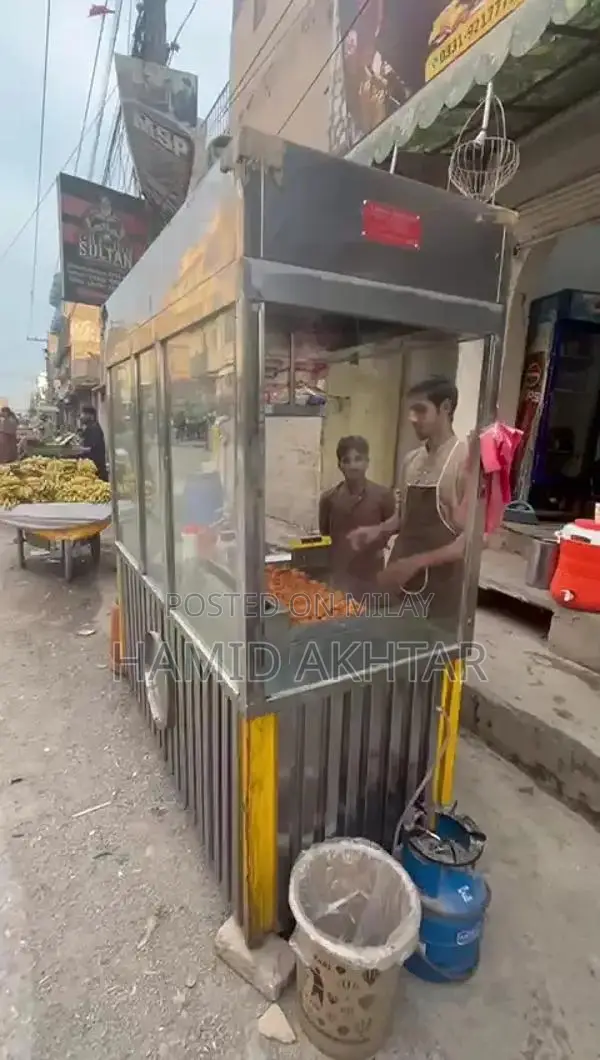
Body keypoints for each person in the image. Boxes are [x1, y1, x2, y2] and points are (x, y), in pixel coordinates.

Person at [348, 377, 473, 628]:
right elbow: (403, 517)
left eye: (420, 410)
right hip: (399, 581)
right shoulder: (411, 460)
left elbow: (470, 541)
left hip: (440, 589)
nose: (412, 418)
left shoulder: (466, 461)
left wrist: (415, 563)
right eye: (410, 411)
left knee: (431, 657)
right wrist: (376, 530)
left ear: (446, 408)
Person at [319, 435, 396, 599]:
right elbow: (325, 536)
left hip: (372, 576)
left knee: (370, 620)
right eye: (347, 460)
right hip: (339, 576)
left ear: (367, 462)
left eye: (358, 459)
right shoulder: (329, 499)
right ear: (339, 465)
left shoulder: (383, 496)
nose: (353, 466)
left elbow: (392, 529)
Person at [80, 406, 108, 481]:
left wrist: (78, 450)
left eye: (84, 414)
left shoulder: (94, 429)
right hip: (91, 467)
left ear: (91, 416)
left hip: (97, 469)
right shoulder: (90, 428)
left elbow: (92, 448)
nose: (81, 416)